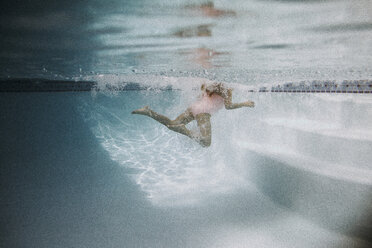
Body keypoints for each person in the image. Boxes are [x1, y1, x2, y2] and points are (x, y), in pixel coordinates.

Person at [131, 83, 255, 147]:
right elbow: (229, 106)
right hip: (204, 113)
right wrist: (245, 103)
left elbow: (201, 96)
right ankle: (185, 131)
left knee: (171, 124)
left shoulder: (212, 84)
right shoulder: (226, 89)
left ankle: (148, 112)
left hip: (194, 108)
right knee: (206, 143)